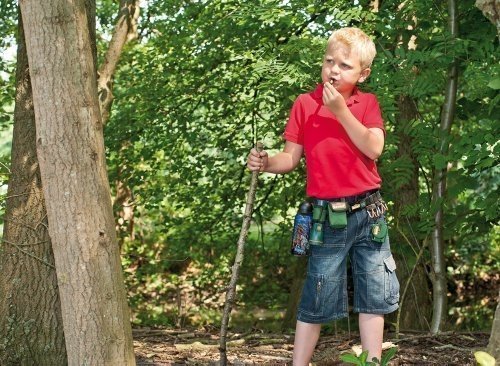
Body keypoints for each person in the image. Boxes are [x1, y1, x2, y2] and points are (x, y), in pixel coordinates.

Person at [247, 27, 399, 365]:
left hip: (368, 214)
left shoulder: (366, 103)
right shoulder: (305, 104)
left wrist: (342, 111)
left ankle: (372, 362)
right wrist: (267, 162)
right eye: (329, 61)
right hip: (326, 218)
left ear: (363, 72)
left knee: (373, 293)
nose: (333, 69)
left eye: (345, 65)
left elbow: (374, 148)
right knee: (317, 292)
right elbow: (290, 158)